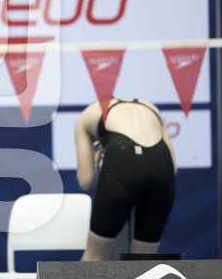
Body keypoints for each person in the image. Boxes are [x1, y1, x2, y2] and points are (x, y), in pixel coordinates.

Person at [74, 97, 177, 261]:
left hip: (123, 157)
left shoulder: (85, 117)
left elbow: (86, 181)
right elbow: (173, 167)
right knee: (144, 259)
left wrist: (95, 158)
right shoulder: (151, 108)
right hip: (161, 163)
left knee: (96, 256)